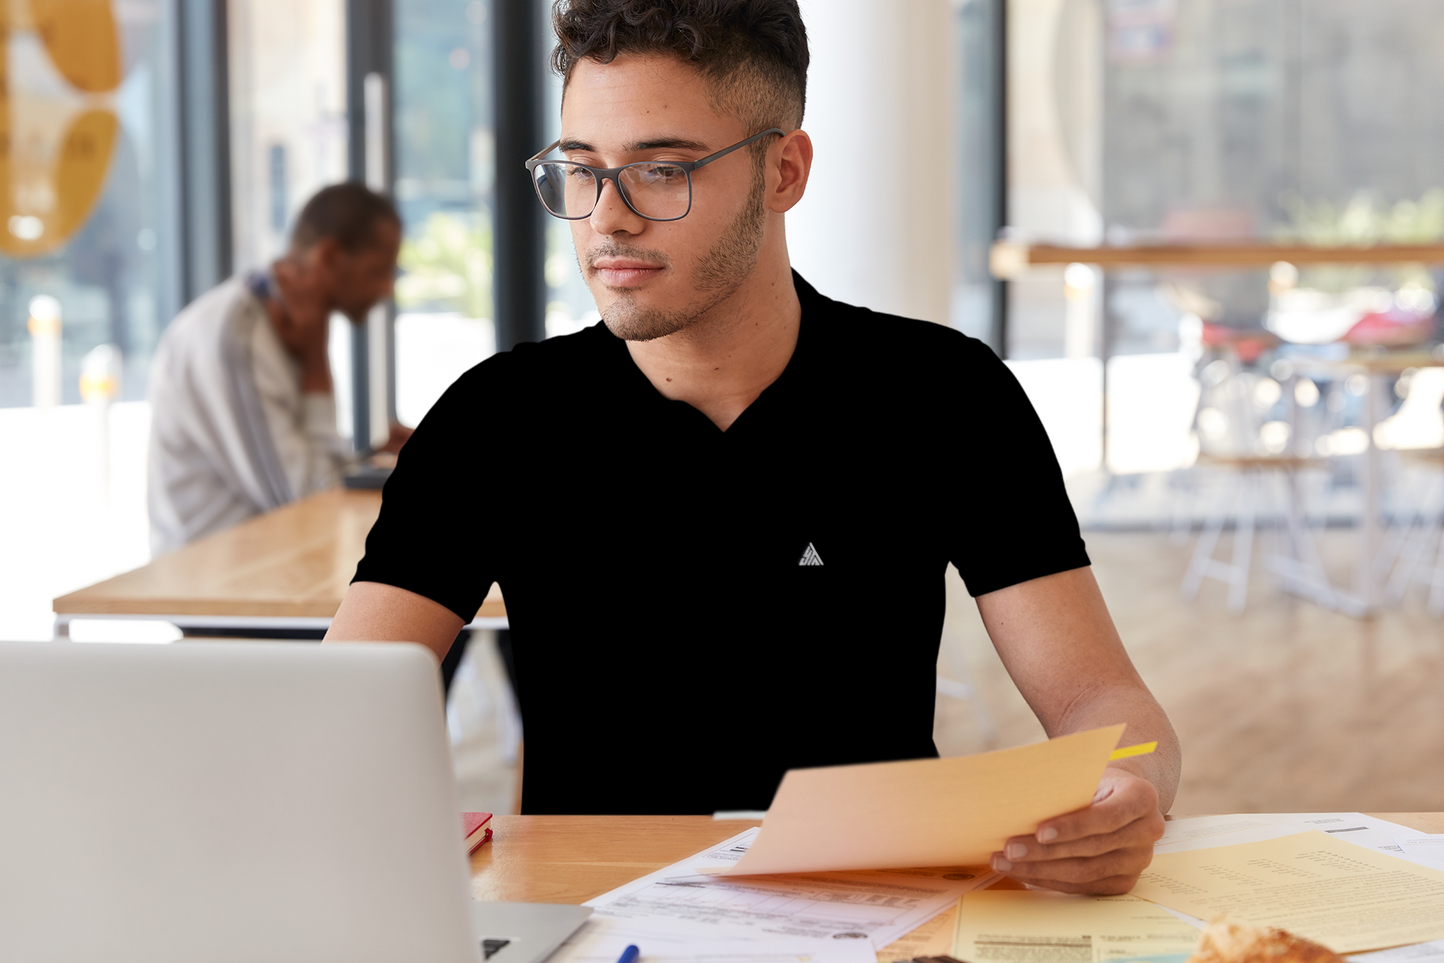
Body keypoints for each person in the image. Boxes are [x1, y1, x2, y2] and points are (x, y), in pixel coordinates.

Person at [326, 0, 1180, 895]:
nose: (605, 221)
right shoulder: (496, 417)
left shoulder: (942, 393)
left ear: (783, 169)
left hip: (878, 913)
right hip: (595, 922)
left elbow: (1100, 701)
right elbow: (335, 711)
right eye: (581, 171)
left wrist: (1127, 792)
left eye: (659, 170)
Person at [147, 183, 409, 555]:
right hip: (219, 586)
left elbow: (303, 478)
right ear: (330, 257)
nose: (386, 290)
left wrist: (368, 460)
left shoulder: (288, 322)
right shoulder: (237, 336)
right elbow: (306, 503)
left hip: (273, 565)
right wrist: (316, 366)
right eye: (378, 271)